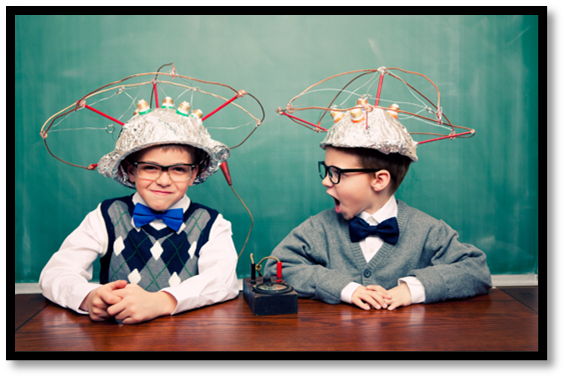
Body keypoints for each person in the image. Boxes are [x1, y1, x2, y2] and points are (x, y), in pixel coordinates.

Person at [265, 103, 492, 311]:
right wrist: (344, 288)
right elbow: (276, 268)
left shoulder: (428, 230)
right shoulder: (319, 228)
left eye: (336, 173)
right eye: (326, 170)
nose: (325, 180)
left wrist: (412, 289)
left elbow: (476, 270)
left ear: (379, 180)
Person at [40, 103, 239, 324]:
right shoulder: (105, 216)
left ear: (194, 175)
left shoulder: (212, 224)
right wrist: (88, 297)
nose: (163, 180)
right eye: (150, 167)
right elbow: (55, 273)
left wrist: (162, 302)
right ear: (130, 170)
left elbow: (223, 281)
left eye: (179, 169)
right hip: (117, 339)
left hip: (186, 337)